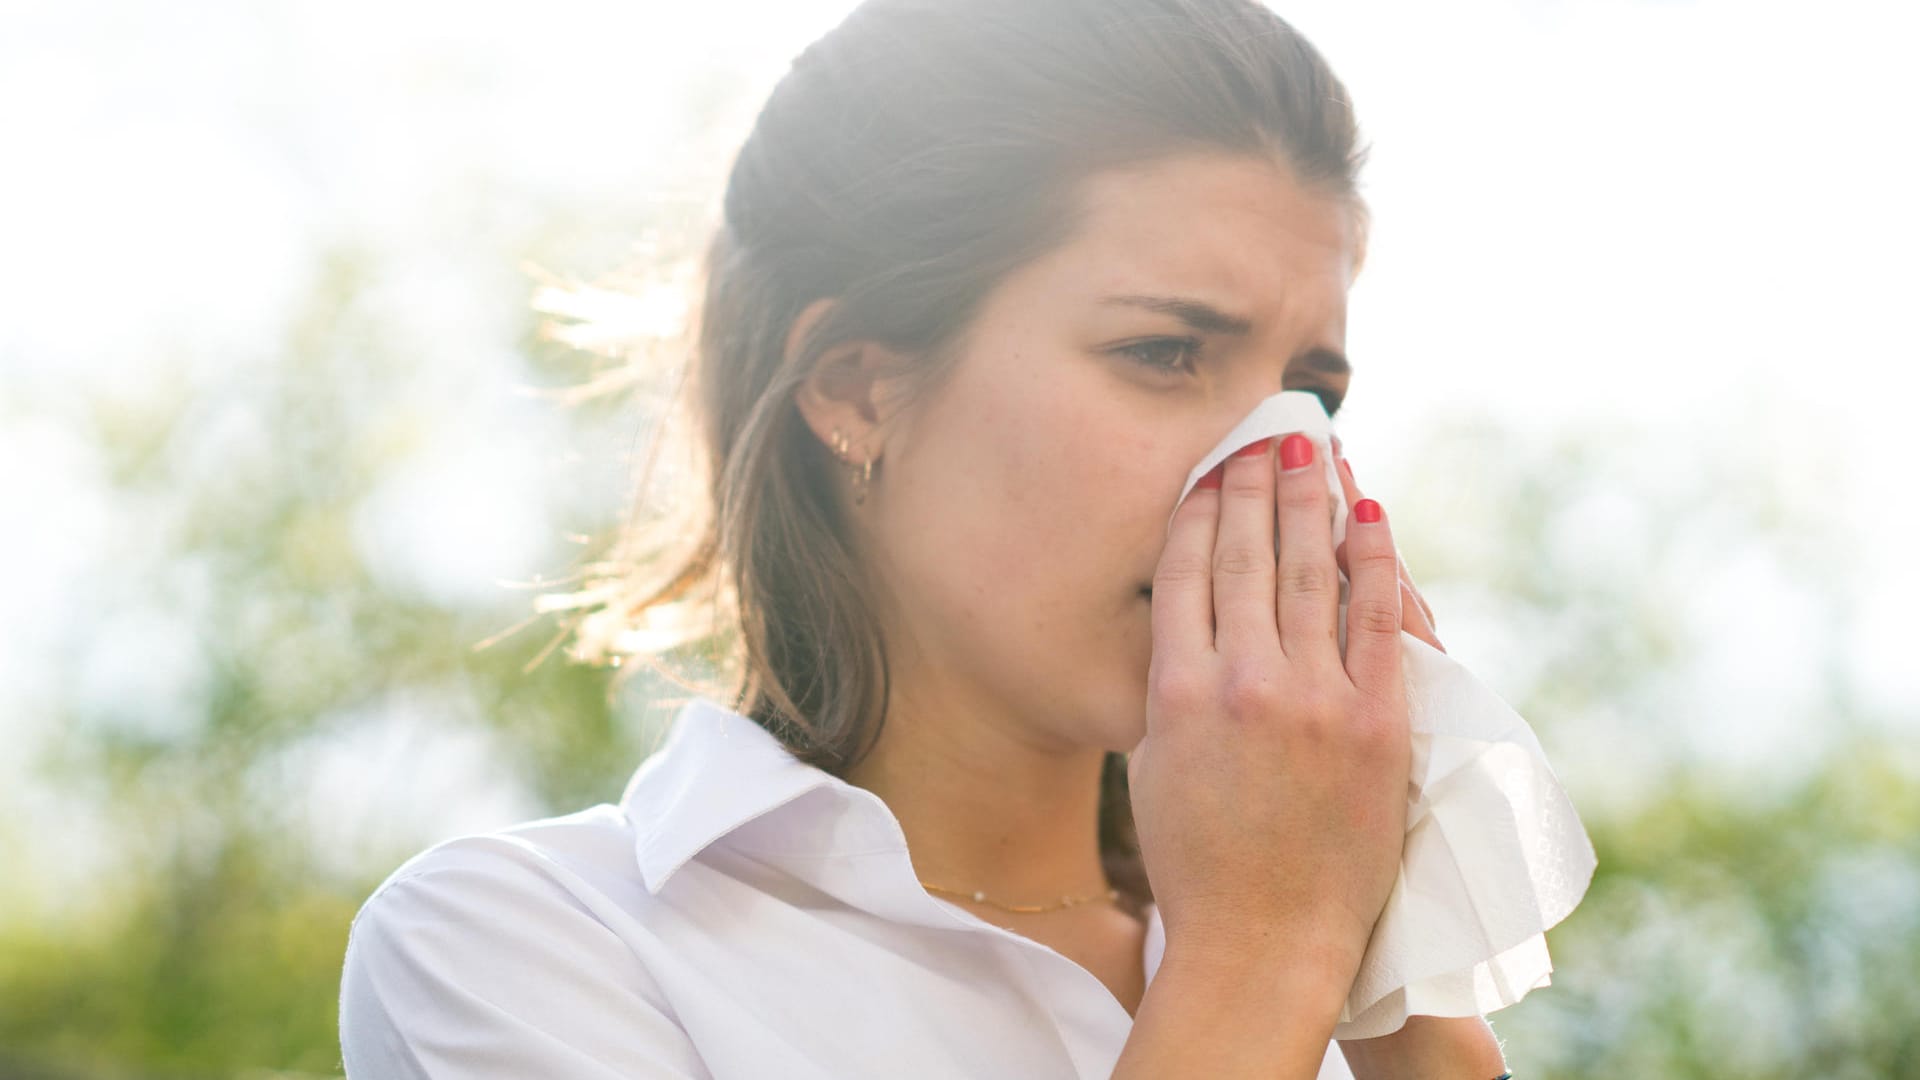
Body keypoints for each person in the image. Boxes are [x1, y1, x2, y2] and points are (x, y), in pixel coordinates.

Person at [339, 0, 1514, 1076]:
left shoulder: (1364, 1005)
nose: (1270, 467)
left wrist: (1396, 966)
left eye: (1312, 395)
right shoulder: (535, 946)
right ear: (856, 390)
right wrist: (1266, 954)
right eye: (1164, 353)